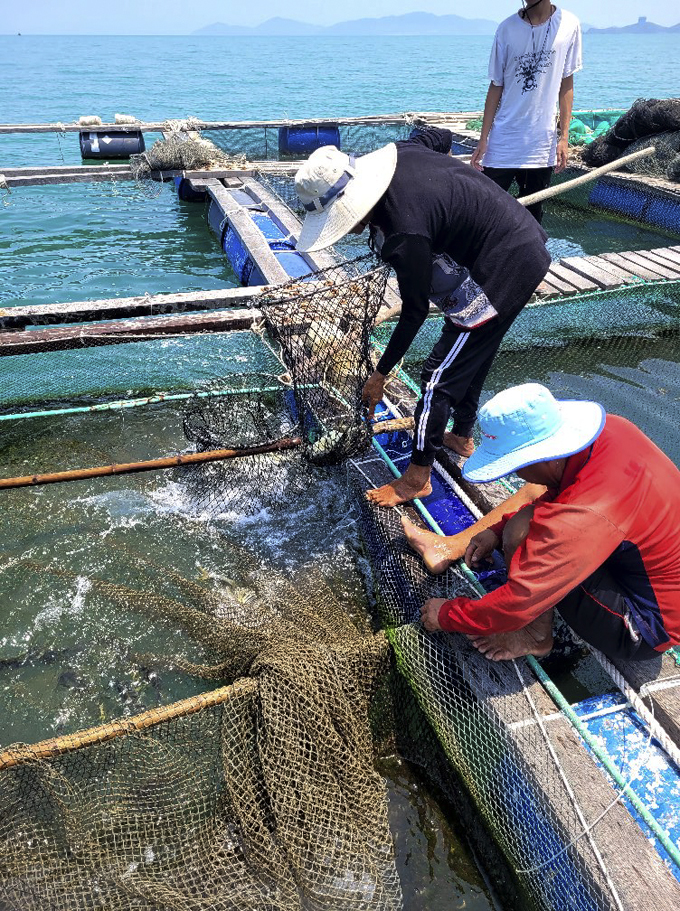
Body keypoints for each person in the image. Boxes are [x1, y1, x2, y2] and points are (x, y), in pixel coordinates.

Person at [294, 129, 550, 507]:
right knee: (472, 347)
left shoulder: (404, 234)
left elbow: (414, 312)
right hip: (518, 242)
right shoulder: (403, 150)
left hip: (506, 262)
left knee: (436, 379)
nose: (348, 228)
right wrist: (453, 193)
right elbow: (438, 136)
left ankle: (417, 478)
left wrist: (380, 373)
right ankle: (461, 435)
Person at [418, 383, 680, 663]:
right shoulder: (613, 429)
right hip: (644, 572)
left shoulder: (584, 514)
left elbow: (519, 602)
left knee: (520, 533)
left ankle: (535, 637)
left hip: (645, 627)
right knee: (516, 524)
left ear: (545, 458)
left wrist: (447, 615)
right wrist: (495, 529)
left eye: (516, 465)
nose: (518, 475)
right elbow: (568, 493)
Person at [470, 1, 582, 222]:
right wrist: (483, 139)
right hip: (504, 141)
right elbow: (496, 86)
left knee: (532, 218)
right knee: (486, 214)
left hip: (541, 144)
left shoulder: (570, 24)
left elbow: (566, 83)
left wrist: (564, 137)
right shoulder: (506, 29)